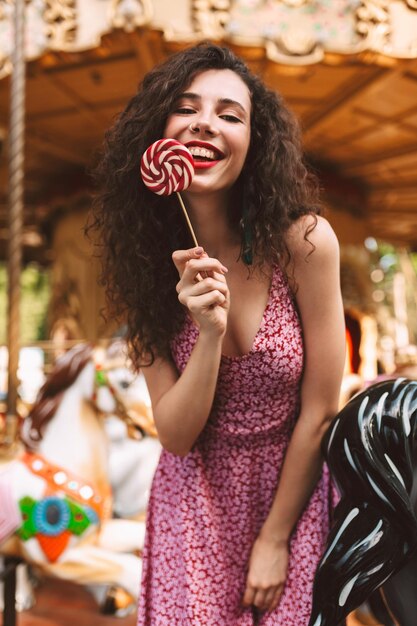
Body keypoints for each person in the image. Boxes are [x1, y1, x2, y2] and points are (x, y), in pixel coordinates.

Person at [88, 43, 346, 626]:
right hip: (192, 500)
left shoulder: (303, 242)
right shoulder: (142, 267)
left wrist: (275, 539)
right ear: (159, 132)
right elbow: (176, 436)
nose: (207, 121)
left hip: (291, 494)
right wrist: (208, 332)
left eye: (230, 114)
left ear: (253, 144)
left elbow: (322, 410)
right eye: (187, 108)